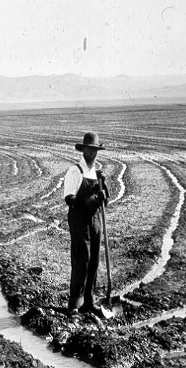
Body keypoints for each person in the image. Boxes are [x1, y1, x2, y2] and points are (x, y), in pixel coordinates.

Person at [63, 131, 109, 316]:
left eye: (95, 150)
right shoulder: (76, 170)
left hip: (95, 221)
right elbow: (70, 199)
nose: (93, 153)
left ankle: (89, 301)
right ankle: (75, 303)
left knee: (94, 262)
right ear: (83, 150)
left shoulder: (96, 173)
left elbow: (104, 202)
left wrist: (103, 189)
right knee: (81, 261)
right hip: (79, 221)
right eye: (90, 149)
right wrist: (91, 199)